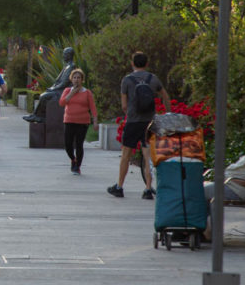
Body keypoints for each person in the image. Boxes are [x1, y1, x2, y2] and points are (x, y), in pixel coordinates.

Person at [107, 52, 170, 200]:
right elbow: (166, 97)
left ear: (132, 64)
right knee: (148, 156)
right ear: (147, 64)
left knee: (126, 155)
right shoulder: (153, 79)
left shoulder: (127, 80)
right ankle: (148, 189)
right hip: (150, 123)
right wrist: (168, 114)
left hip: (133, 122)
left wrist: (129, 111)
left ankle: (119, 187)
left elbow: (124, 105)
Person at [58, 68, 98, 175]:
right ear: (71, 79)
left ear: (82, 80)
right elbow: (61, 103)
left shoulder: (87, 92)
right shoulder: (67, 90)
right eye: (74, 77)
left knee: (79, 144)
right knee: (68, 144)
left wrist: (95, 121)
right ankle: (73, 158)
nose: (76, 80)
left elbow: (92, 107)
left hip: (82, 122)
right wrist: (72, 93)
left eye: (78, 78)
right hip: (69, 120)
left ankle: (77, 166)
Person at [23, 47, 77, 123]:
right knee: (44, 95)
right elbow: (58, 81)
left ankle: (38, 116)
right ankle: (37, 116)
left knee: (44, 96)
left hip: (63, 91)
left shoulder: (71, 66)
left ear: (69, 55)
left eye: (65, 54)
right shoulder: (66, 66)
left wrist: (53, 89)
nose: (63, 56)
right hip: (59, 89)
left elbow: (64, 83)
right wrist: (52, 87)